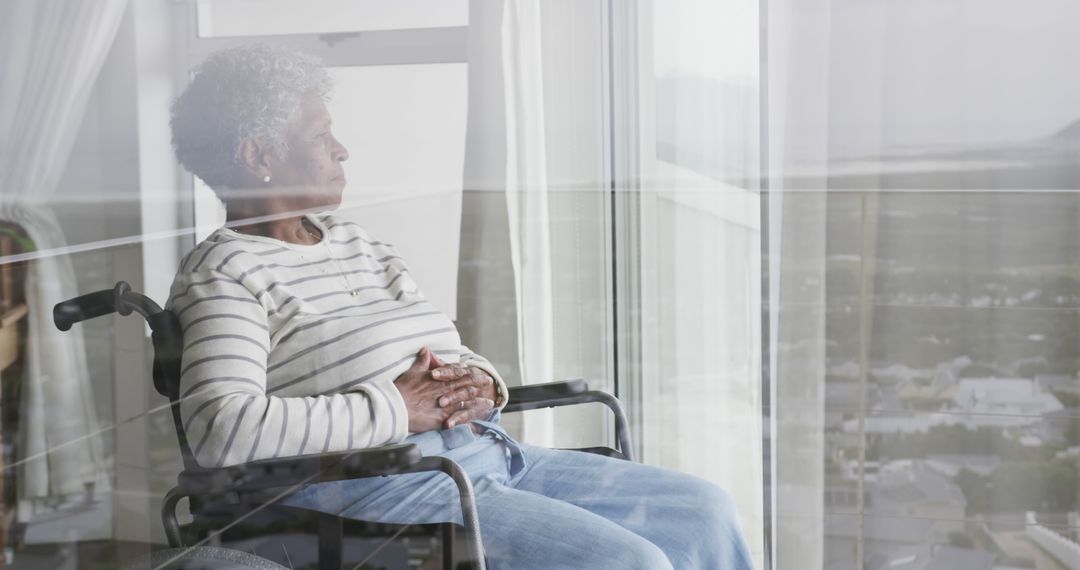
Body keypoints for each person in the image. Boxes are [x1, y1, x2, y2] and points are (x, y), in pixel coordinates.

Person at [167, 43, 752, 569]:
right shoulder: (225, 273)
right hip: (383, 486)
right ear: (256, 154)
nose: (342, 150)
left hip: (487, 452)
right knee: (629, 562)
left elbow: (447, 347)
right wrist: (396, 407)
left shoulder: (357, 243)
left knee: (702, 511)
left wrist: (482, 383)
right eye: (320, 137)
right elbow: (225, 430)